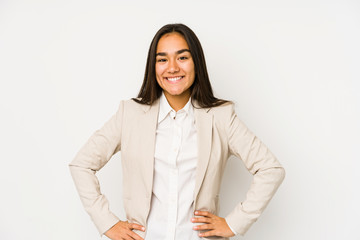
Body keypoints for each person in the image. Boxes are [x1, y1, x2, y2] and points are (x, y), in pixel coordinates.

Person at [69, 23, 285, 240]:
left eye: (182, 57)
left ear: (196, 63)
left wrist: (234, 223)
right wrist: (108, 223)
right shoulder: (130, 114)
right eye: (162, 59)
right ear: (153, 67)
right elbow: (82, 165)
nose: (172, 68)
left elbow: (270, 169)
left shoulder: (221, 117)